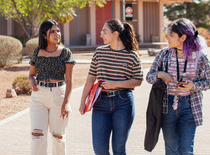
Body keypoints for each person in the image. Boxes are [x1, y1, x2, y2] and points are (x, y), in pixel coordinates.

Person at [146, 18, 210, 155]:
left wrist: (193, 85)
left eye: (171, 35)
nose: (167, 38)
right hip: (167, 105)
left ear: (183, 37)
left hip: (190, 106)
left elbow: (208, 82)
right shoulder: (164, 54)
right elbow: (149, 77)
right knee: (171, 149)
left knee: (186, 150)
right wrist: (161, 74)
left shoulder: (200, 57)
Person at [79, 19, 143, 155]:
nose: (101, 34)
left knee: (119, 149)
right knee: (100, 149)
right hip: (100, 103)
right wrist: (82, 102)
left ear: (115, 34)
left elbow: (138, 80)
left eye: (104, 31)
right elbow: (90, 78)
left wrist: (116, 84)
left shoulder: (132, 55)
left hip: (123, 103)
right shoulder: (99, 52)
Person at [29, 19, 75, 155]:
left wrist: (66, 103)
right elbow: (31, 74)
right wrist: (32, 82)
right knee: (37, 137)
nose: (57, 34)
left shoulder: (66, 53)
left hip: (58, 95)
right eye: (52, 32)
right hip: (38, 97)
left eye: (58, 31)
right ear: (44, 35)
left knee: (58, 137)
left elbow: (70, 80)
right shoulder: (37, 52)